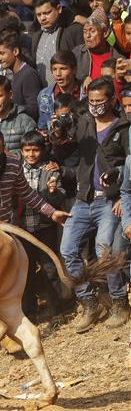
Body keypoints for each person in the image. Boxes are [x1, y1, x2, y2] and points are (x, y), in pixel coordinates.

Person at [59, 78, 130, 331]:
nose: (95, 105)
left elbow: (129, 165)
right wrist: (58, 135)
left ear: (111, 100)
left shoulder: (124, 128)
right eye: (91, 101)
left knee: (104, 251)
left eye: (100, 101)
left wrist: (122, 194)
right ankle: (89, 301)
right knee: (68, 249)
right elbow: (64, 151)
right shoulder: (84, 123)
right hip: (83, 199)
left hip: (109, 201)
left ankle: (119, 302)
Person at [18, 130, 70, 320]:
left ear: (42, 150)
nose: (31, 154)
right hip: (23, 228)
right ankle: (29, 311)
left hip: (44, 227)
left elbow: (59, 197)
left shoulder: (50, 170)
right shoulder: (16, 169)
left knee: (50, 267)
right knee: (26, 270)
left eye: (35, 150)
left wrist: (52, 191)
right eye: (27, 150)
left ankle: (57, 309)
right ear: (21, 151)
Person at [0, 31, 44, 121]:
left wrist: (9, 110)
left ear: (15, 51)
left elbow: (34, 110)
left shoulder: (28, 74)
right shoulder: (16, 74)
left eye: (2, 53)